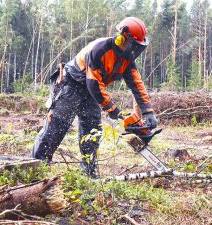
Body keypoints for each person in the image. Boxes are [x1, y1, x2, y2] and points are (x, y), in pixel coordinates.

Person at [31, 17, 158, 178]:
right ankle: (35, 168)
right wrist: (113, 109)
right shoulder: (100, 49)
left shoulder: (127, 60)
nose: (134, 50)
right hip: (72, 84)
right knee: (56, 127)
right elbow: (93, 83)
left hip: (91, 93)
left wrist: (148, 111)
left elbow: (137, 84)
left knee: (92, 131)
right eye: (133, 45)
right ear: (122, 38)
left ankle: (88, 174)